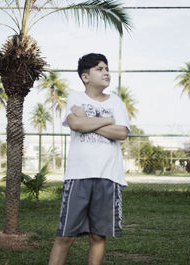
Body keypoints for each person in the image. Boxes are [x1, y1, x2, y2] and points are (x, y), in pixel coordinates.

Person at [48, 53, 130, 265]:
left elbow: (121, 133)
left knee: (97, 236)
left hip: (108, 177)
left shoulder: (116, 102)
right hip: (79, 176)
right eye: (99, 69)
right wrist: (107, 121)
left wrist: (88, 120)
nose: (106, 73)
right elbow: (77, 125)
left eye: (106, 68)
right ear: (86, 77)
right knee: (65, 235)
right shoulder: (76, 98)